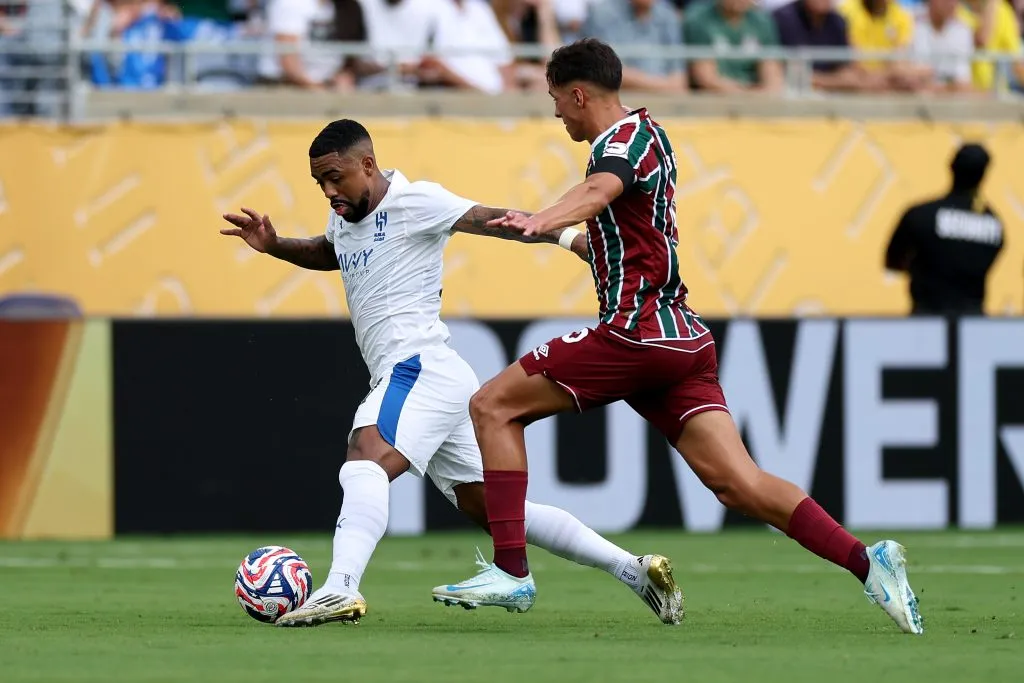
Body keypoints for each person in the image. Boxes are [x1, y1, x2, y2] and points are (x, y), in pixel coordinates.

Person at [435, 38, 924, 636]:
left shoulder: (621, 144)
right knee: (738, 483)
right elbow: (611, 240)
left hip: (635, 336)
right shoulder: (647, 138)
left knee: (491, 406)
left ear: (579, 93)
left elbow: (598, 194)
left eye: (556, 99)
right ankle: (867, 562)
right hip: (680, 344)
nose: (556, 112)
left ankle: (512, 572)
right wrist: (551, 235)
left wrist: (544, 215)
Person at [219, 119, 684, 627]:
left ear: (368, 165)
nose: (329, 191)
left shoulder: (416, 200)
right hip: (431, 378)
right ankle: (634, 570)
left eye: (335, 177)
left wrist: (571, 240)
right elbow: (332, 252)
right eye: (320, 183)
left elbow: (496, 219)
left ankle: (340, 588)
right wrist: (276, 243)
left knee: (364, 458)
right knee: (497, 511)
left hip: (417, 367)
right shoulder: (345, 215)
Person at [885, 143, 1004, 315]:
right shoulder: (993, 224)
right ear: (984, 175)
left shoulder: (921, 215)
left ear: (951, 167)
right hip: (973, 324)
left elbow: (893, 261)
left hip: (926, 320)